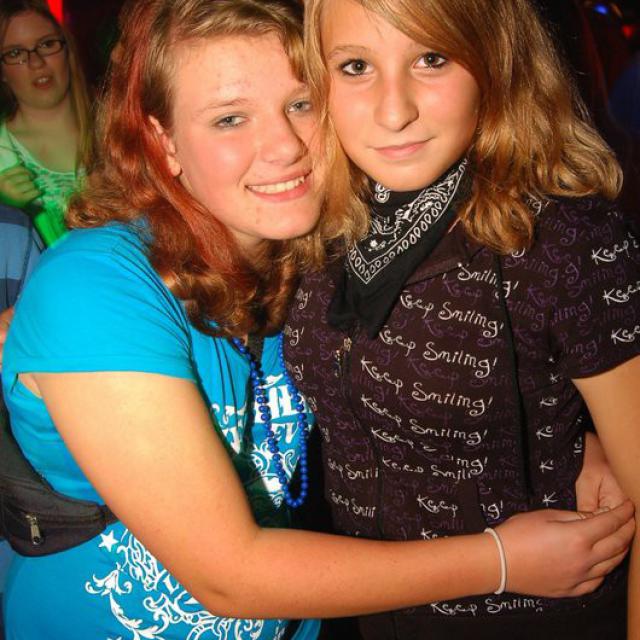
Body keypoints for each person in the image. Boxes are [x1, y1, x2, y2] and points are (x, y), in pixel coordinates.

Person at [0, 0, 635, 639]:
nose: (284, 147)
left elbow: (398, 388)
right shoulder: (99, 287)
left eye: (301, 104)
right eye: (229, 119)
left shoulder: (317, 259)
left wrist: (562, 438)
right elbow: (228, 574)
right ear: (164, 143)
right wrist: (501, 560)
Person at [284, 0, 640, 638]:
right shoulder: (319, 219)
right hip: (365, 612)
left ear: (495, 58)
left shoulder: (562, 236)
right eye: (356, 66)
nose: (394, 111)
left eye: (432, 58)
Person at [0, 0, 92, 247]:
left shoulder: (118, 126)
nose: (36, 62)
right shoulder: (3, 155)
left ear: (67, 50)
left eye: (47, 44)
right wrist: (7, 211)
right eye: (15, 53)